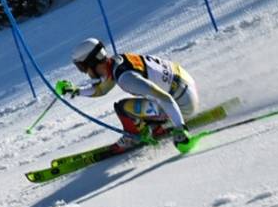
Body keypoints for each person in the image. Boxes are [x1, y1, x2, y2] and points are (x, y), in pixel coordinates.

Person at [54, 38, 199, 153]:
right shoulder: (118, 62)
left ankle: (135, 138)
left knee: (122, 108)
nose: (85, 72)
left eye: (82, 67)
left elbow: (164, 98)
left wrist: (181, 128)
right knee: (139, 105)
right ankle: (155, 126)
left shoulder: (126, 79)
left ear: (92, 63)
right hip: (186, 88)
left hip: (183, 103)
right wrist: (76, 90)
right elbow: (101, 89)